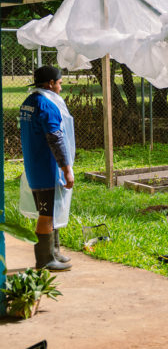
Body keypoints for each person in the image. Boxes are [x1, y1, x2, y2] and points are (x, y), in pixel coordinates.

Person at [19, 66, 75, 271]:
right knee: (47, 214)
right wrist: (66, 168)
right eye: (59, 83)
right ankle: (44, 260)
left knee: (52, 209)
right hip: (47, 168)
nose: (61, 87)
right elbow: (56, 139)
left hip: (35, 166)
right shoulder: (46, 104)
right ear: (50, 84)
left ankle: (54, 251)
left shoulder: (29, 102)